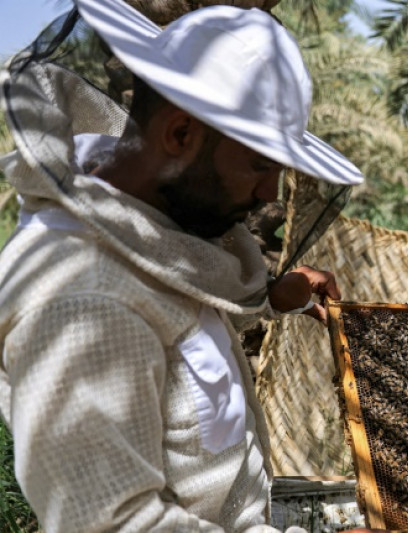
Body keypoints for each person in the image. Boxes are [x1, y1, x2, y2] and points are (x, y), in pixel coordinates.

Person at [0, 1, 372, 531]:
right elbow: (116, 523)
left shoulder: (148, 230)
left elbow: (176, 342)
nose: (271, 193)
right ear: (179, 136)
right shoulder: (81, 304)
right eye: (262, 166)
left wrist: (268, 298)